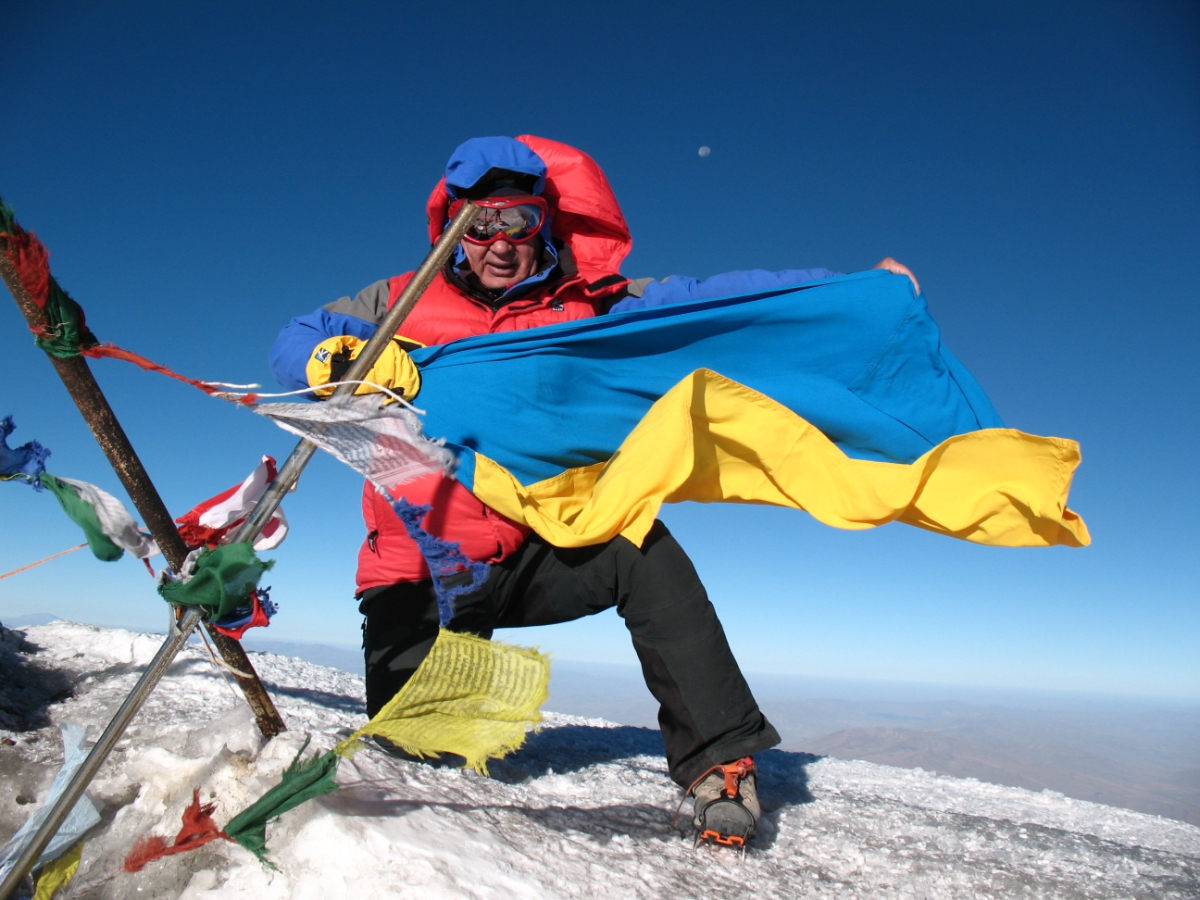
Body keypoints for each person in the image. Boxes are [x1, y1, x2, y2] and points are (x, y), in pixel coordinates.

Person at [269, 135, 918, 846]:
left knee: (640, 545)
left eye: (517, 220)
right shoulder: (396, 301)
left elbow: (710, 302)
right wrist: (332, 356)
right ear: (452, 227)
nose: (497, 241)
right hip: (418, 573)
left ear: (544, 222)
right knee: (419, 768)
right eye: (478, 222)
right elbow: (295, 341)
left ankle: (719, 761)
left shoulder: (589, 305)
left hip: (532, 555)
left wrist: (853, 291)